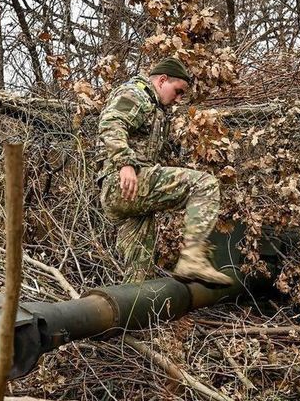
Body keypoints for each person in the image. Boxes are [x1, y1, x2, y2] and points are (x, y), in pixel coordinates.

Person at [96, 57, 233, 286]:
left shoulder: (154, 107)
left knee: (139, 272)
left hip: (127, 192)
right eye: (178, 91)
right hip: (123, 183)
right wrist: (125, 164)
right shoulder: (136, 94)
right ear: (162, 80)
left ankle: (129, 318)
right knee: (204, 184)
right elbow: (110, 123)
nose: (178, 99)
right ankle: (193, 259)